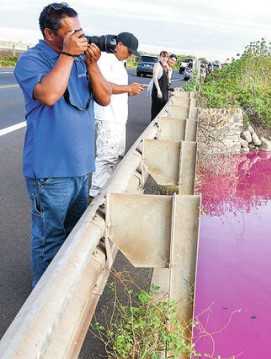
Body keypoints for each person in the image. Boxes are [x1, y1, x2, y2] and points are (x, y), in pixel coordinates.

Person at [13, 2, 112, 287]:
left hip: (81, 168)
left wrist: (92, 65)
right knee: (49, 238)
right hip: (50, 173)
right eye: (72, 33)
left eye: (81, 31)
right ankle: (40, 306)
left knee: (73, 236)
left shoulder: (81, 60)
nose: (81, 38)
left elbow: (104, 98)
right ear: (50, 34)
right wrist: (68, 55)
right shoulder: (31, 60)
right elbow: (48, 95)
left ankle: (62, 290)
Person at [90, 32, 144, 198]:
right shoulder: (105, 59)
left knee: (114, 157)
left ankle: (105, 193)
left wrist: (128, 91)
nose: (129, 55)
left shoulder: (120, 63)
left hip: (117, 118)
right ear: (119, 45)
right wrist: (128, 89)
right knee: (106, 158)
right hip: (107, 117)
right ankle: (95, 195)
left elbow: (114, 88)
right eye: (128, 51)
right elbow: (102, 86)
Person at [150, 50, 169, 119]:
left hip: (165, 91)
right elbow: (154, 78)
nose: (164, 58)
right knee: (156, 110)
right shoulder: (157, 65)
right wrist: (158, 90)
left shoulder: (166, 66)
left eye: (166, 57)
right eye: (163, 57)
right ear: (160, 57)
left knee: (162, 110)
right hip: (158, 91)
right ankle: (152, 127)